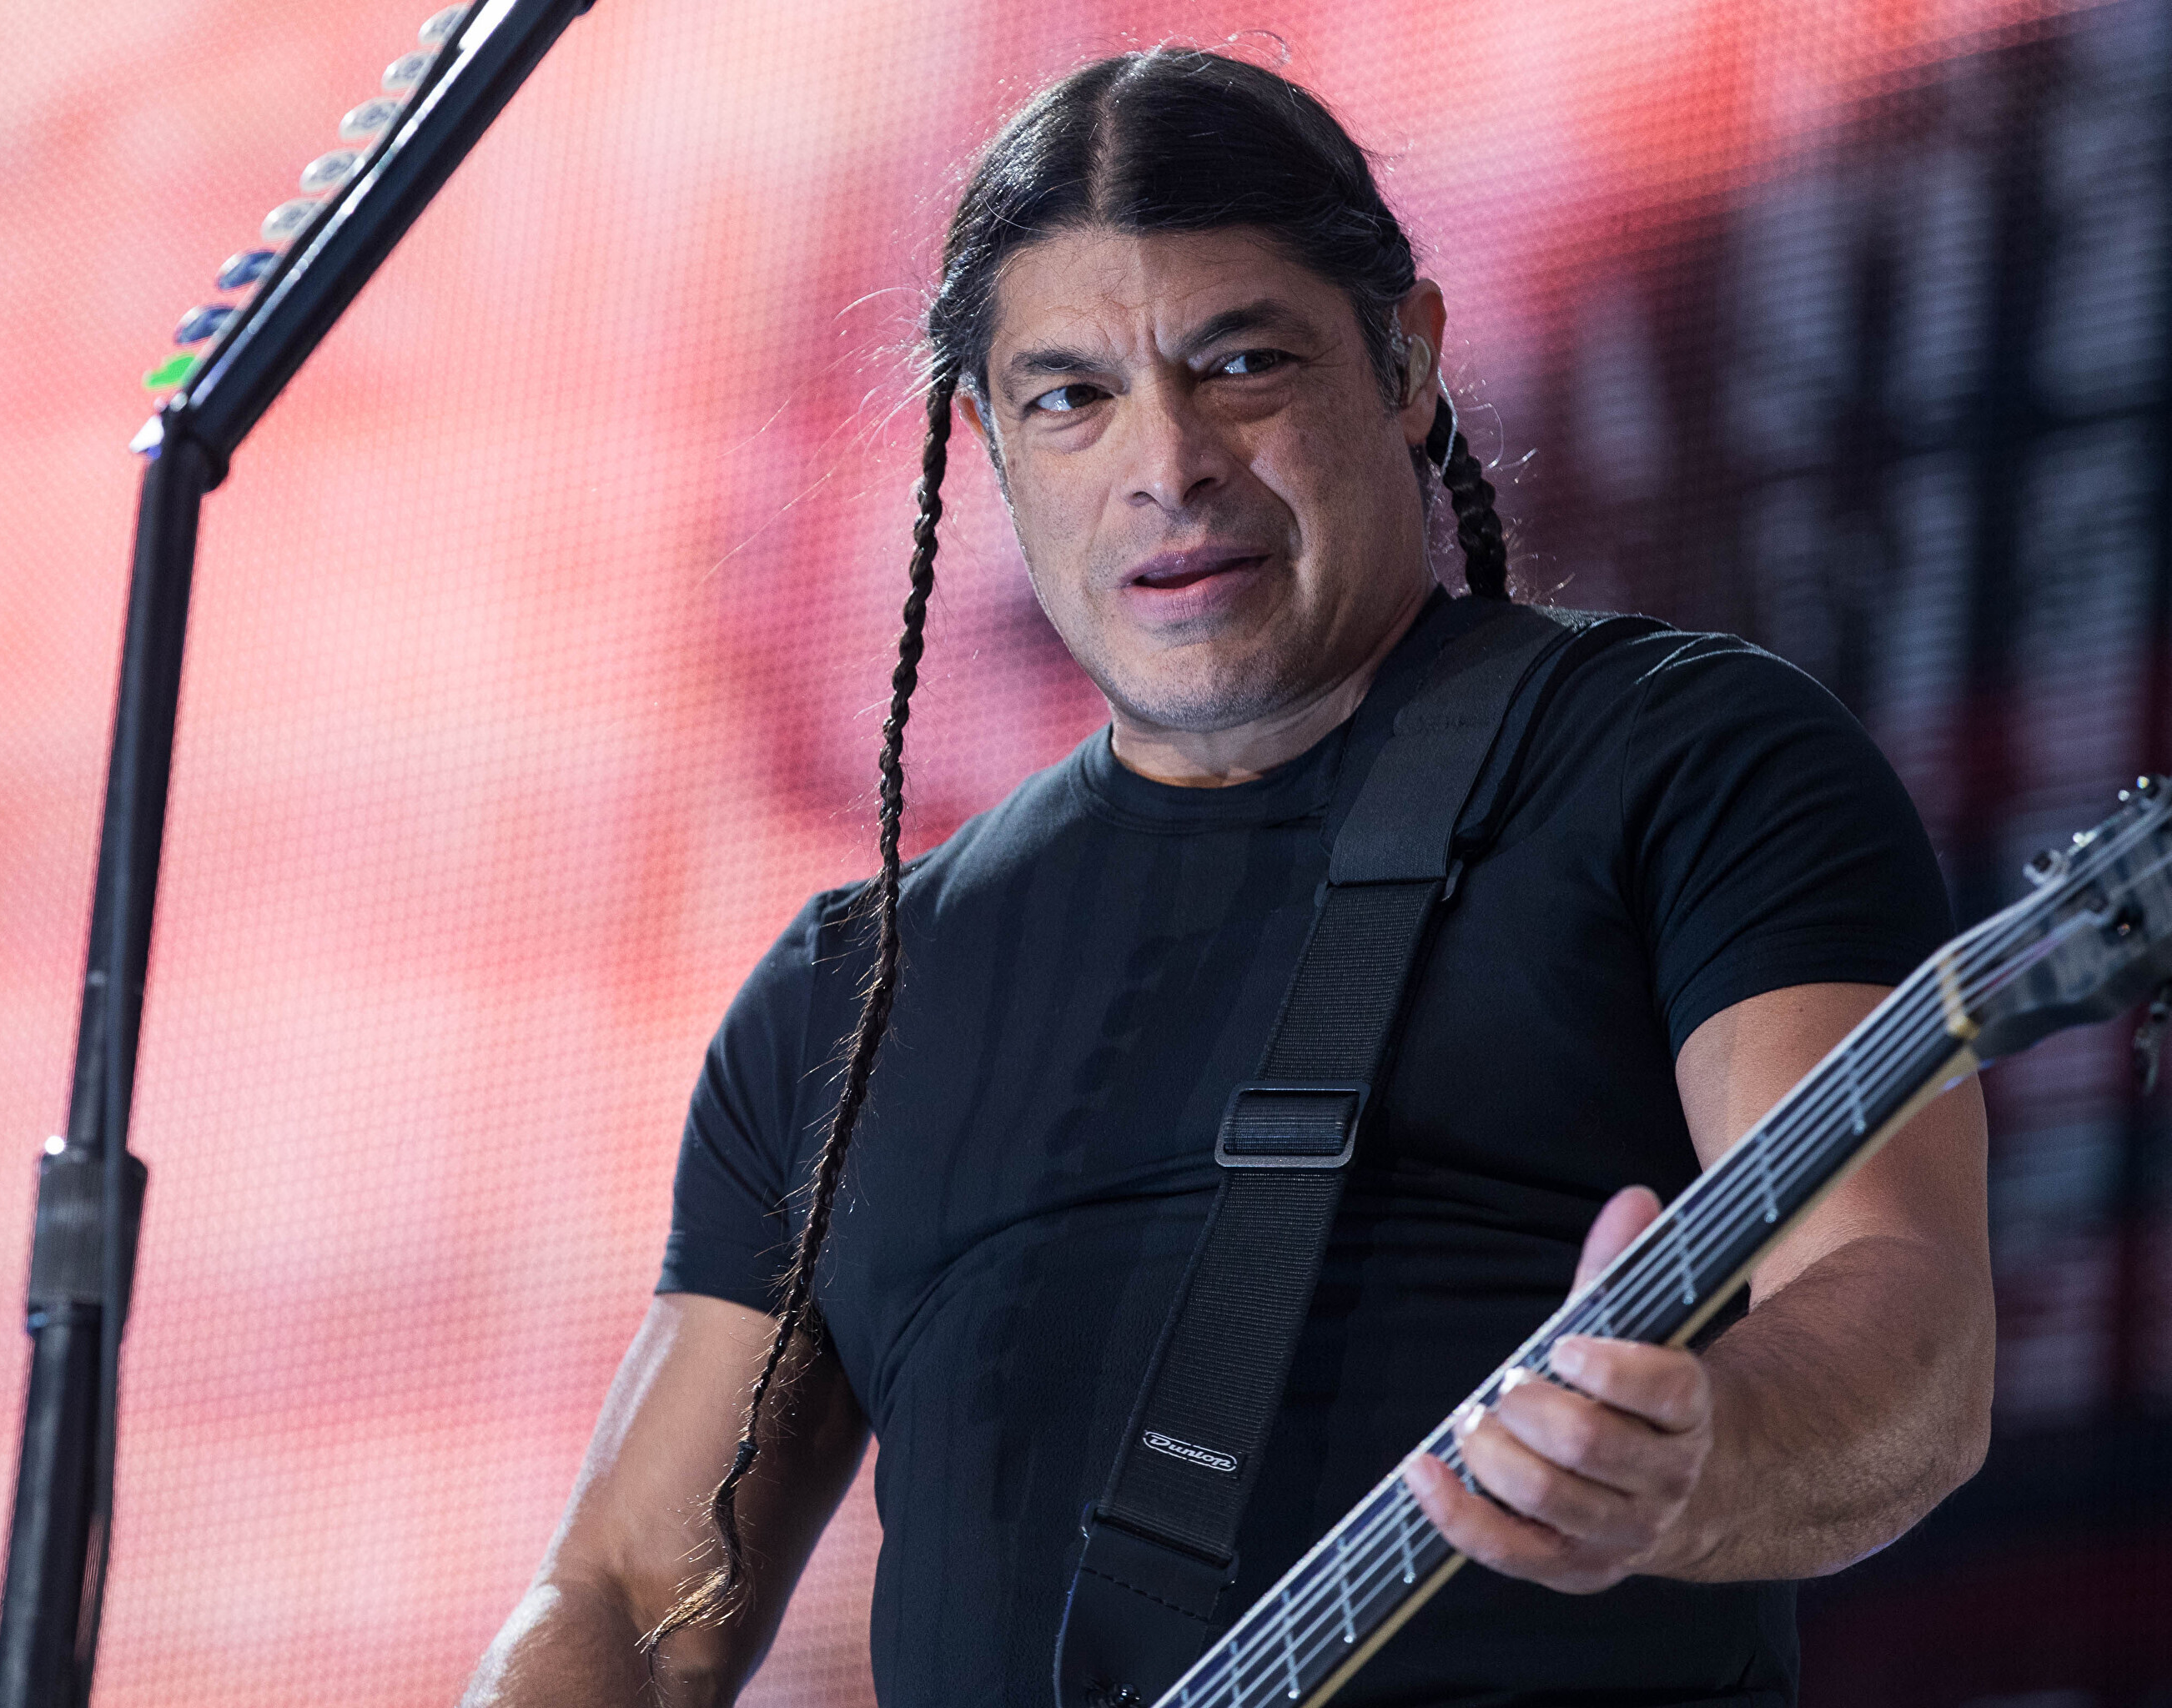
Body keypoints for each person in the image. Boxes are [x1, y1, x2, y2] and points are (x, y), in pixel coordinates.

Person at [460, 48, 1994, 1708]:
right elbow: (629, 1593)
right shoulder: (848, 991)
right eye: (1072, 397)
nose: (1170, 461)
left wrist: (1701, 1454)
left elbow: (1898, 1312)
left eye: (1242, 364)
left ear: (1406, 362)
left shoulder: (1688, 762)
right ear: (989, 443)